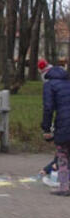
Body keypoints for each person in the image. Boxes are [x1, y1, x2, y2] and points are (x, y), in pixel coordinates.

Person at [39, 58, 70, 196]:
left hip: (64, 123)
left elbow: (48, 108)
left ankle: (64, 187)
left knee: (62, 153)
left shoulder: (49, 85)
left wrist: (46, 128)